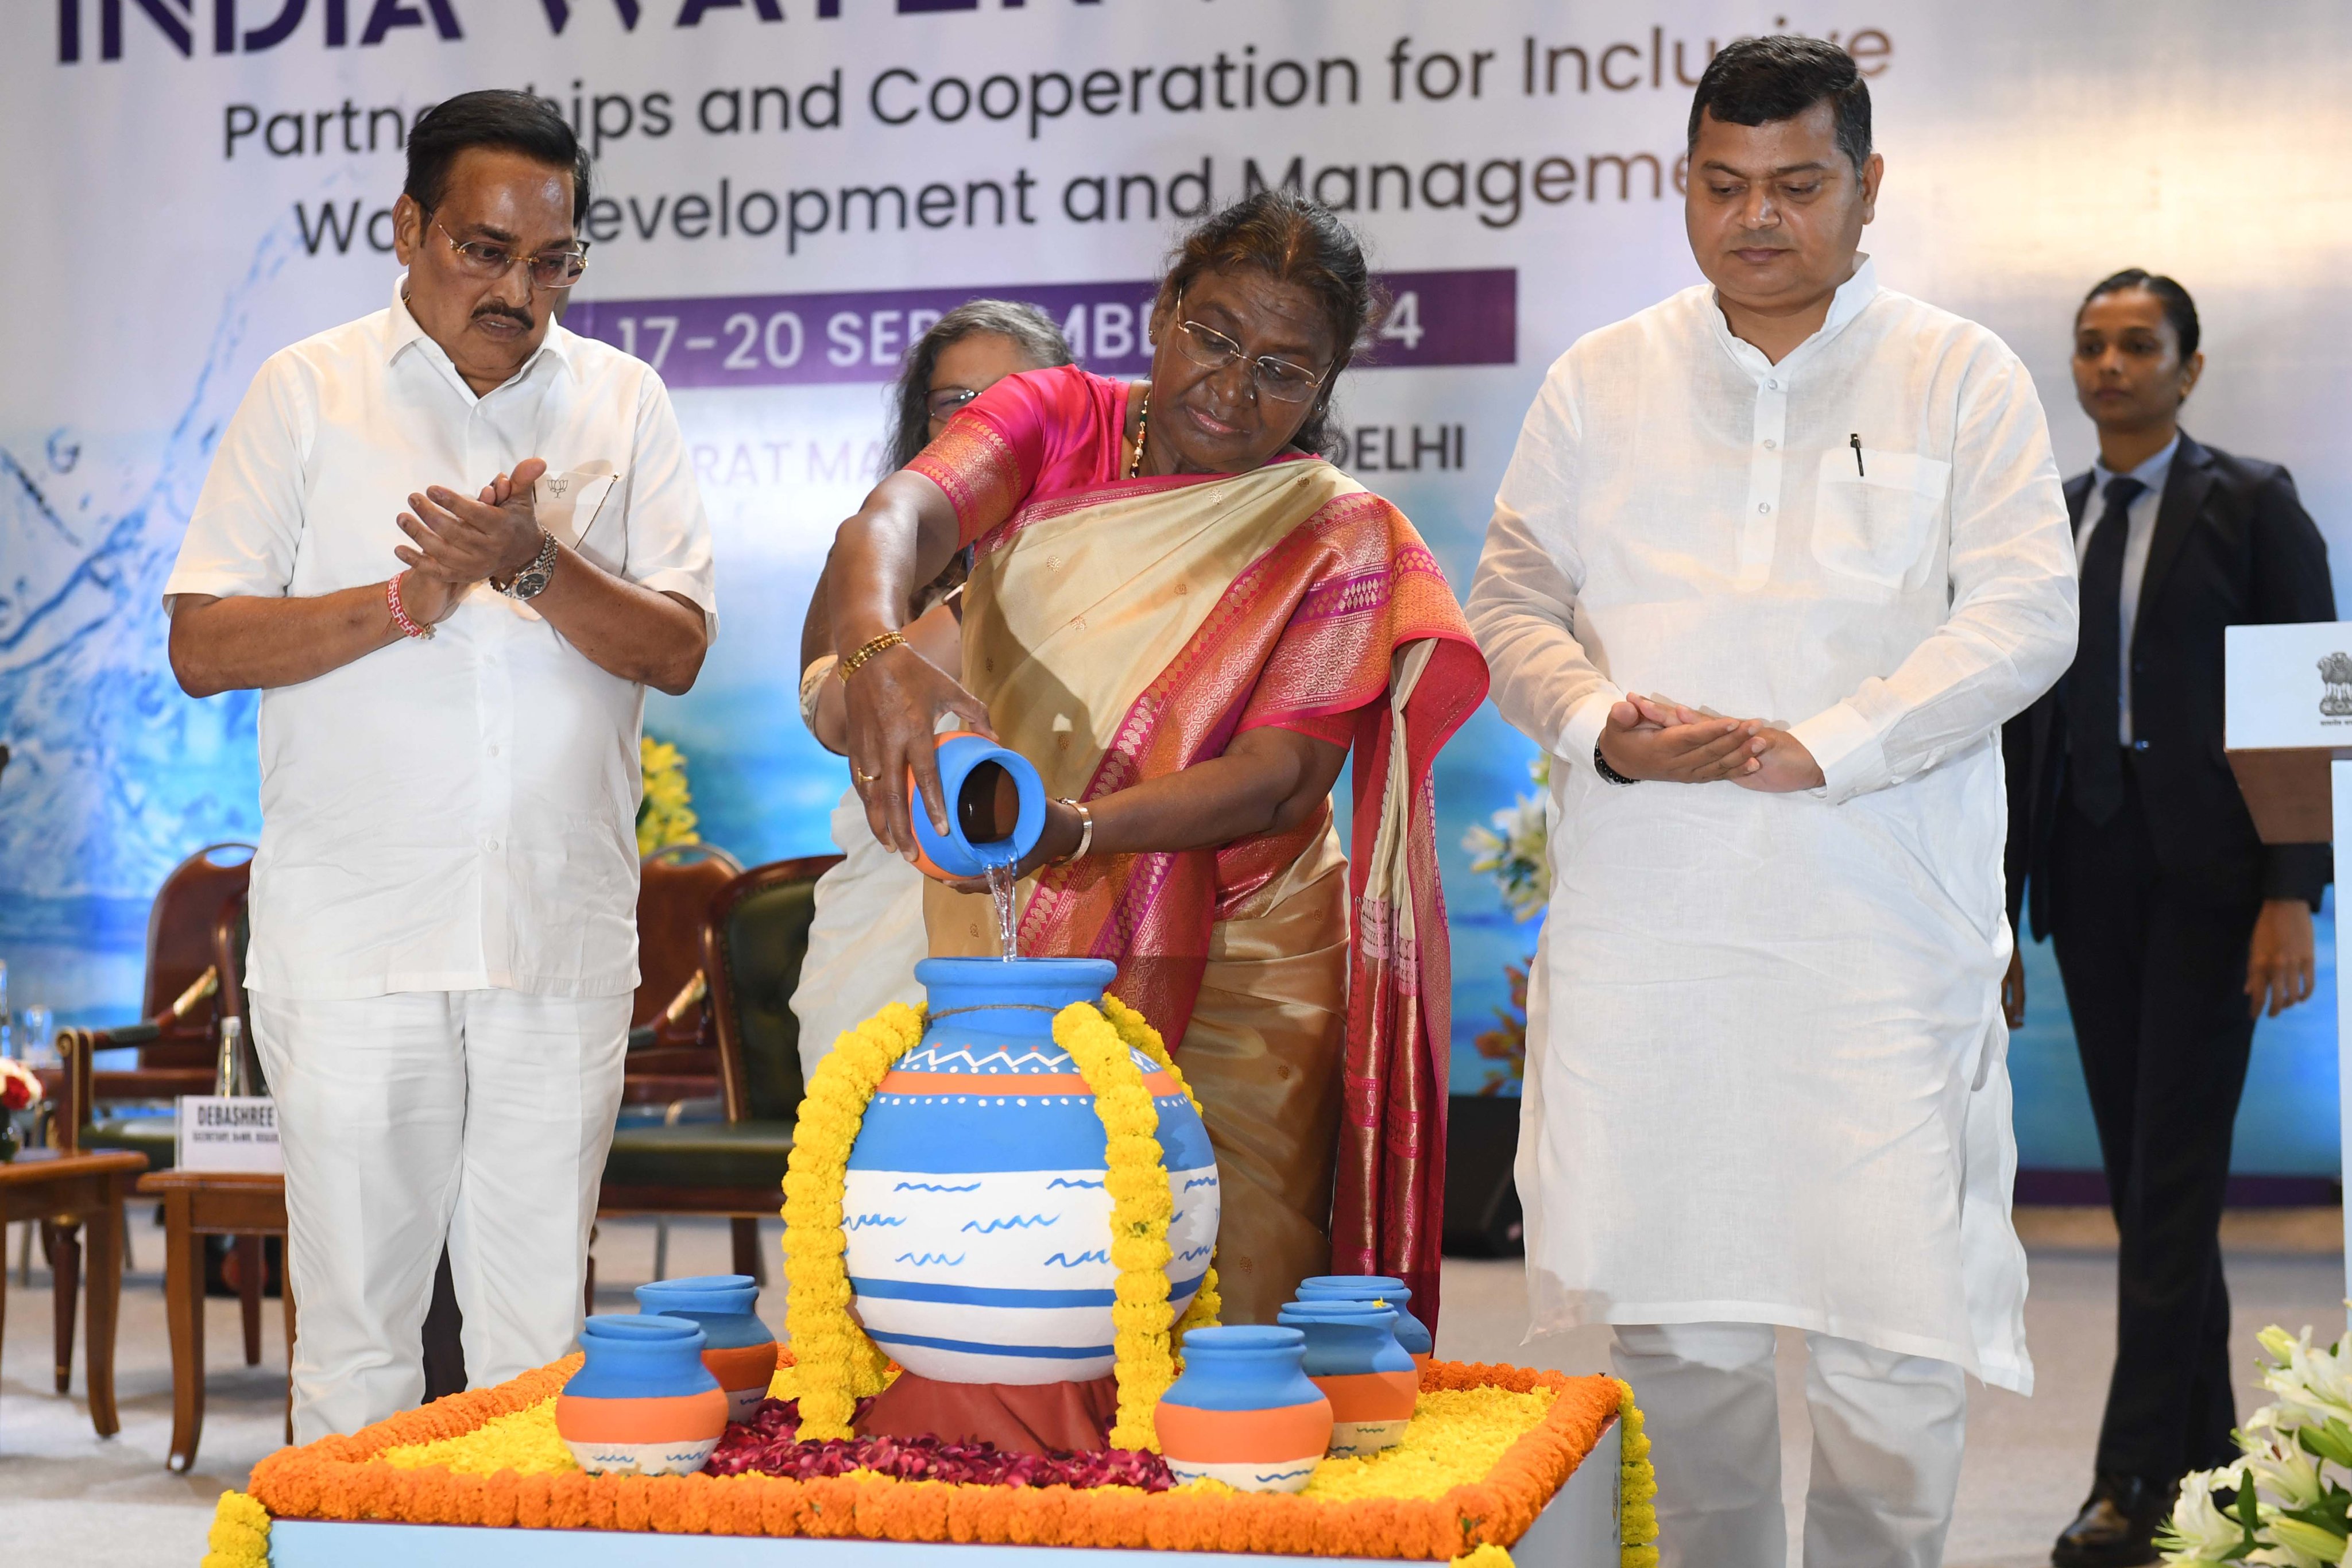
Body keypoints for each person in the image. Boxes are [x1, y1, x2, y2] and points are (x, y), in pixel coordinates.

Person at [1467, 37, 2078, 1567]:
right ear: (1682, 185)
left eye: (1798, 186)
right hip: (1659, 937)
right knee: (1682, 1340)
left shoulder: (1957, 373)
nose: (1758, 218)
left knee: (1893, 1344)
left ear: (1868, 187)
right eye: (1724, 185)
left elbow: (2025, 616)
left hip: (1877, 936)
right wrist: (1600, 725)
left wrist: (1836, 742)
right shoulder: (1601, 378)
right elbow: (1510, 599)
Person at [823, 188, 1486, 1344]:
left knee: (1236, 1274)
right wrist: (879, 653)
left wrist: (1077, 832)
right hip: (1020, 903)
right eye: (1214, 337)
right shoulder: (1053, 418)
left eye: (1282, 371)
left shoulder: (1334, 536)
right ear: (1165, 310)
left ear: (1325, 387)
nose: (1233, 390)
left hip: (1247, 945)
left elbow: (1281, 778)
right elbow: (897, 520)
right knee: (1031, 1252)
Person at [163, 89, 715, 1439]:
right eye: (486, 251)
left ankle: (517, 1536)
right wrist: (405, 601)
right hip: (355, 939)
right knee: (358, 1339)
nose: (520, 292)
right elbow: (204, 642)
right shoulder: (306, 391)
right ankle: (353, 1532)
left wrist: (531, 562)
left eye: (553, 261)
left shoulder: (623, 400)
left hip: (555, 935)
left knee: (538, 1348)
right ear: (407, 229)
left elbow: (677, 647)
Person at [2005, 271, 2331, 1568]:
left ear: (2187, 370)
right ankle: (2213, 1473)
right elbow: (2016, 722)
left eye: (2137, 344)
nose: (2109, 364)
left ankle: (2127, 1481)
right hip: (2085, 884)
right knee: (2156, 1194)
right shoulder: (2046, 516)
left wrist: (2290, 891)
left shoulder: (2252, 501)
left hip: (2215, 889)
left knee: (2171, 1178)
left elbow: (2305, 694)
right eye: (2090, 344)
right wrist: (1998, 910)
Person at [790, 301, 1073, 1087]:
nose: (983, 420)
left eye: (1013, 397)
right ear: (923, 419)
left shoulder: (1116, 550)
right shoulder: (877, 551)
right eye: (956, 400)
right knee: (867, 1137)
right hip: (890, 904)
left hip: (1062, 892)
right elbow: (834, 716)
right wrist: (982, 602)